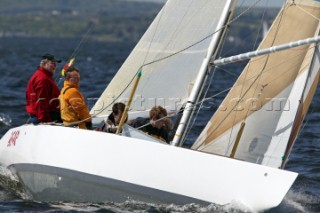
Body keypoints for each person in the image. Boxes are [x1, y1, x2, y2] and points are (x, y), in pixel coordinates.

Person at [26, 53, 62, 124]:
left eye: (56, 63)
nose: (55, 65)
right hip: (43, 116)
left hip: (39, 114)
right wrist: (46, 121)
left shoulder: (42, 75)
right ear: (44, 64)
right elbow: (41, 102)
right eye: (52, 63)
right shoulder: (43, 79)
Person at [59, 65, 92, 129]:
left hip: (67, 124)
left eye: (78, 77)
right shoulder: (72, 91)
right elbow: (80, 109)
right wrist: (88, 122)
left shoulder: (64, 89)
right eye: (75, 78)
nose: (78, 80)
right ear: (68, 79)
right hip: (77, 126)